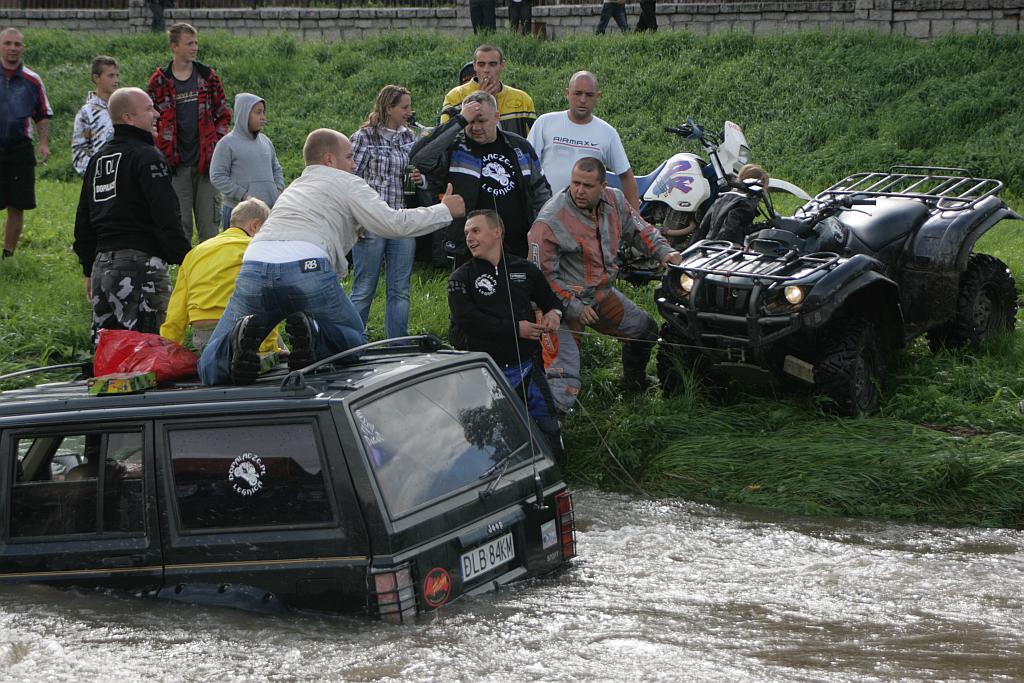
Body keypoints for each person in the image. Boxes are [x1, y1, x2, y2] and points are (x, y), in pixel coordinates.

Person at [196, 128, 466, 386]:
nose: (354, 165)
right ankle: (315, 336)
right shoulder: (347, 181)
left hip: (255, 263)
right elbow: (392, 223)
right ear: (329, 159)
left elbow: (317, 222)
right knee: (352, 338)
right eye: (349, 157)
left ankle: (228, 356)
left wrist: (350, 229)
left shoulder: (294, 188)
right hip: (306, 268)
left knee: (212, 355)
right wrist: (443, 210)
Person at [528, 157, 682, 413]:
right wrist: (572, 307)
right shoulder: (549, 220)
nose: (579, 190)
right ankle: (547, 435)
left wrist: (665, 253)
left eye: (587, 185)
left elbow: (641, 230)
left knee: (644, 330)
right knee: (563, 380)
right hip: (555, 307)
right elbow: (540, 279)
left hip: (599, 295)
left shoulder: (616, 200)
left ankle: (634, 383)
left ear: (602, 185)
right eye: (575, 183)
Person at [73, 87, 191, 345]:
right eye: (149, 108)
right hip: (141, 267)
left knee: (110, 351)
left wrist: (88, 269)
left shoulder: (98, 160)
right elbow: (165, 214)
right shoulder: (147, 156)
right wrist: (186, 259)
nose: (157, 114)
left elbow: (83, 220)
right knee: (150, 350)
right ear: (129, 117)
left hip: (103, 267)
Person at [448, 210, 564, 452]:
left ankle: (556, 472)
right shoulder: (460, 278)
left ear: (497, 232)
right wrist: (515, 329)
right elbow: (467, 321)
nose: (469, 237)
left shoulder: (526, 270)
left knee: (548, 426)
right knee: (495, 438)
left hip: (528, 367)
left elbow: (552, 301)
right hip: (485, 372)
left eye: (476, 231)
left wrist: (554, 314)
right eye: (467, 232)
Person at [411, 91, 550, 267]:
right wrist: (459, 121)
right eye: (471, 122)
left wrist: (542, 230)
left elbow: (540, 191)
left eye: (482, 121)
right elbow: (419, 158)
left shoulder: (519, 146)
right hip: (469, 247)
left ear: (497, 117)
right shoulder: (455, 146)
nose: (476, 127)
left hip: (517, 245)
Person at [348, 85, 425, 340]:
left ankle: (397, 345)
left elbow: (422, 179)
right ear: (388, 108)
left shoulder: (410, 138)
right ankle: (352, 342)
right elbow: (349, 179)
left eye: (409, 107)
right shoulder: (364, 137)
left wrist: (419, 178)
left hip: (402, 219)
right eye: (404, 107)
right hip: (371, 221)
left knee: (400, 290)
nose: (408, 112)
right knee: (364, 287)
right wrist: (354, 221)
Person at [160, 198, 281, 355]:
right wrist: (270, 349)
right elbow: (267, 299)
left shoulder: (194, 253)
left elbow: (176, 310)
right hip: (244, 331)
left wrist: (168, 351)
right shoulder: (256, 249)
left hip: (204, 335)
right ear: (255, 225)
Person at [147, 22, 231, 243]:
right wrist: (159, 148)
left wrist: (217, 144)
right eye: (189, 43)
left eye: (196, 43)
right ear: (174, 47)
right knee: (180, 228)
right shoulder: (159, 82)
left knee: (209, 230)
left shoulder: (207, 77)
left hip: (206, 165)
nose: (195, 47)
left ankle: (208, 275)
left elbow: (223, 113)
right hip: (175, 167)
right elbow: (149, 119)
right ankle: (185, 274)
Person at [527, 71, 640, 209]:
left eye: (589, 95)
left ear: (598, 96)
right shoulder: (545, 123)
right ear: (567, 93)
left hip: (587, 217)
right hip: (546, 212)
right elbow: (527, 167)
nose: (582, 99)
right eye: (577, 93)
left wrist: (636, 222)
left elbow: (627, 177)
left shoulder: (607, 133)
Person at [0, 27, 51, 258]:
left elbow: (41, 114)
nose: (12, 48)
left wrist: (43, 143)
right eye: (8, 43)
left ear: (23, 48)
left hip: (19, 148)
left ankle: (8, 253)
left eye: (17, 44)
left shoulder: (32, 80)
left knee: (17, 203)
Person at [209, 92, 284, 230]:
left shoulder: (266, 141)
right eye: (258, 112)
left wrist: (278, 189)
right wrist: (243, 195)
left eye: (263, 113)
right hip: (239, 214)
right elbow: (217, 176)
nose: (263, 117)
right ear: (245, 114)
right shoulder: (227, 143)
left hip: (268, 212)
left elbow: (276, 168)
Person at [439, 45, 536, 138]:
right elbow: (444, 137)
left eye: (492, 64)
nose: (486, 70)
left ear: (502, 65)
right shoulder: (455, 96)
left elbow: (532, 141)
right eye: (481, 64)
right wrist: (479, 100)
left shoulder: (522, 99)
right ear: (474, 66)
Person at [693, 164, 770, 245]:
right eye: (765, 186)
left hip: (710, 244)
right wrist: (764, 226)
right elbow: (732, 226)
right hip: (729, 247)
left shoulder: (723, 197)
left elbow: (703, 226)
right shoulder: (746, 202)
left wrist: (692, 246)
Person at [72, 56, 119, 176]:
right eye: (110, 76)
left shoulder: (123, 107)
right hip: (99, 180)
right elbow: (79, 150)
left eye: (116, 75)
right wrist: (96, 173)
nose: (115, 80)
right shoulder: (86, 113)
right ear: (96, 77)